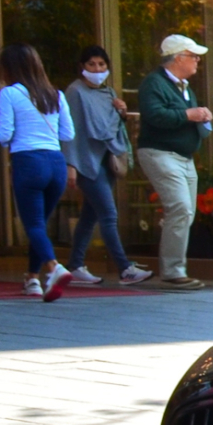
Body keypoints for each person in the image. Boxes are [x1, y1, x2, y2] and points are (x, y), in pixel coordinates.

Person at [0, 43, 79, 301]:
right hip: (55, 163)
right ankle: (32, 278)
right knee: (38, 224)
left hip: (28, 162)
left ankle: (54, 268)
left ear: (9, 69)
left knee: (32, 224)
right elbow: (68, 133)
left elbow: (5, 134)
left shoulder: (9, 94)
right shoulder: (55, 94)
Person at [62, 46, 150, 287]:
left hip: (106, 160)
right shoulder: (75, 92)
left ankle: (76, 266)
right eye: (92, 65)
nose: (98, 70)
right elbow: (72, 131)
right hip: (86, 162)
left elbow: (109, 125)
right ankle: (124, 268)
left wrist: (120, 112)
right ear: (82, 67)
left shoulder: (107, 92)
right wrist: (71, 164)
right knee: (108, 215)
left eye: (102, 65)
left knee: (90, 216)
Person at [134, 32, 213, 289]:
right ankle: (172, 270)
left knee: (184, 212)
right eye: (193, 57)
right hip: (160, 153)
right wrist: (189, 114)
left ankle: (174, 267)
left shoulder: (184, 87)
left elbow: (175, 114)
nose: (197, 62)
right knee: (181, 208)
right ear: (178, 58)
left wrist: (198, 115)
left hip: (183, 156)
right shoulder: (153, 84)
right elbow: (155, 115)